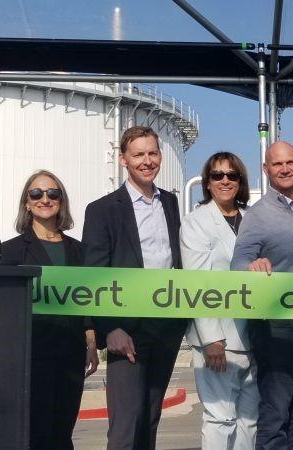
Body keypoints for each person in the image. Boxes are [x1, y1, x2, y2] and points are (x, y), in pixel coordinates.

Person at [82, 126, 185, 450]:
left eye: (152, 153)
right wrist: (109, 328)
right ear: (123, 159)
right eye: (139, 154)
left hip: (165, 327)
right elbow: (94, 276)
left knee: (150, 420)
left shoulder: (170, 202)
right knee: (125, 426)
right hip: (125, 330)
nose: (147, 161)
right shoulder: (102, 210)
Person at [231, 141, 293, 450]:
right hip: (274, 328)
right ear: (266, 169)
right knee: (275, 414)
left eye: (290, 163)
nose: (284, 169)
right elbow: (237, 265)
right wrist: (252, 265)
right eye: (277, 164)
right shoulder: (257, 215)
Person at [1, 170, 98, 450]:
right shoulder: (11, 252)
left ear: (61, 201)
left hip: (70, 354)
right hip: (31, 355)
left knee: (62, 430)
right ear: (26, 203)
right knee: (37, 432)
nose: (45, 199)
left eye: (52, 193)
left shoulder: (80, 251)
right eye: (37, 194)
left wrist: (91, 339)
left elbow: (89, 299)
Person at [181, 152, 259, 449]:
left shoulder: (253, 218)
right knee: (220, 418)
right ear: (207, 182)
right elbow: (197, 282)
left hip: (254, 336)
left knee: (249, 421)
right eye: (218, 175)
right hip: (218, 341)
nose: (225, 180)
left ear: (240, 181)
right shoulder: (196, 222)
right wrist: (212, 338)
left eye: (232, 175)